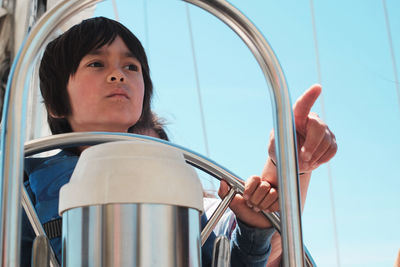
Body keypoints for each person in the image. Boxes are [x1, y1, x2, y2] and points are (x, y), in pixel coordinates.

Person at [22, 16, 337, 267]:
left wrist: (254, 228)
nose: (118, 75)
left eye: (131, 67)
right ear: (56, 105)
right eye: (96, 64)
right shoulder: (18, 179)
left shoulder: (172, 181)